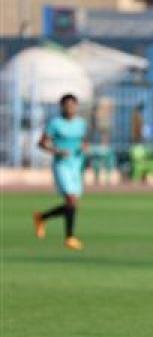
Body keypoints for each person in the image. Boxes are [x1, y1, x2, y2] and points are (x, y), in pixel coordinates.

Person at [33, 94, 88, 250]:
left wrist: (84, 148)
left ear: (77, 106)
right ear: (62, 107)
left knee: (73, 204)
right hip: (62, 164)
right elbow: (41, 143)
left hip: (77, 164)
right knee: (71, 199)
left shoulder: (81, 124)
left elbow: (83, 141)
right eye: (67, 105)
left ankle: (41, 217)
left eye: (73, 105)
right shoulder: (55, 123)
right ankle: (70, 237)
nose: (70, 108)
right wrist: (56, 151)